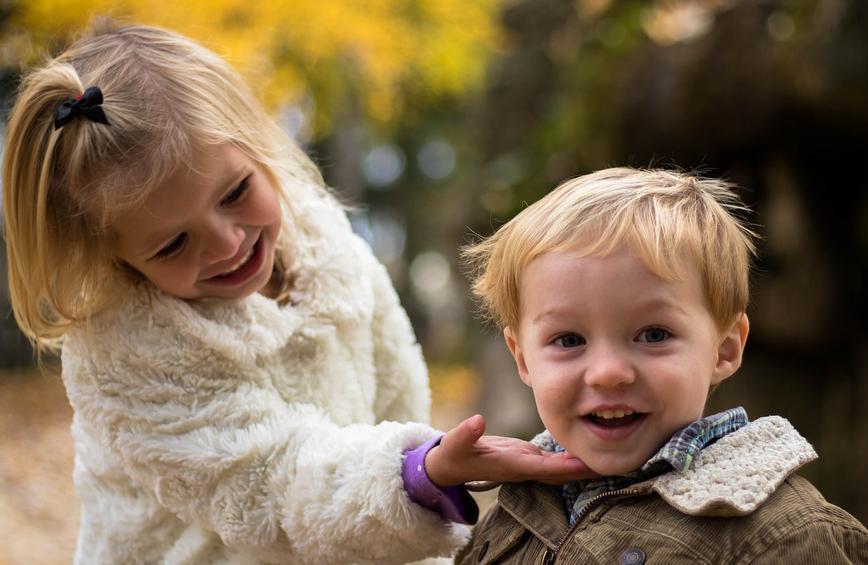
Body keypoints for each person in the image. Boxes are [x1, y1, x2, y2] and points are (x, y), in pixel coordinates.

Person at [1, 22, 592, 564]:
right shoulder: (126, 353)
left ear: (258, 146)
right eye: (173, 244)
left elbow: (392, 395)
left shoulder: (325, 249)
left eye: (235, 192)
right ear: (116, 258)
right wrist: (416, 476)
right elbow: (271, 490)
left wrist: (423, 501)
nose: (227, 244)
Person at [444, 168, 868, 563]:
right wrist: (422, 479)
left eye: (653, 335)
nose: (608, 372)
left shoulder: (785, 536)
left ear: (725, 348)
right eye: (569, 340)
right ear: (523, 359)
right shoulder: (513, 512)